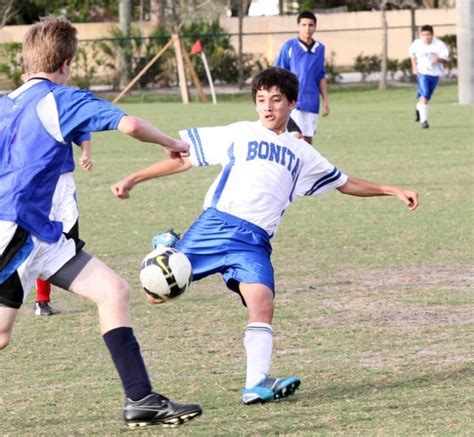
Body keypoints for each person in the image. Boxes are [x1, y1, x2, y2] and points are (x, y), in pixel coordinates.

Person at [111, 67, 419, 406]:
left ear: (292, 104)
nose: (268, 107)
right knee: (157, 296)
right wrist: (133, 178)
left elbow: (345, 183)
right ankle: (166, 249)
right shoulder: (241, 132)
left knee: (263, 303)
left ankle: (255, 384)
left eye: (275, 100)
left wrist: (392, 189)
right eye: (261, 100)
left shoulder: (302, 152)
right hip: (216, 226)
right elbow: (184, 159)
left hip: (254, 242)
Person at [0, 16, 202, 428]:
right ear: (67, 63)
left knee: (114, 291)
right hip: (14, 230)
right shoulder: (63, 98)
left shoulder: (5, 102)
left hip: (47, 236)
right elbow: (129, 124)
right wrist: (173, 143)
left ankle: (141, 399)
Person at [34, 135, 92, 316]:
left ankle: (89, 287)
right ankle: (41, 300)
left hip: (65, 180)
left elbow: (82, 131)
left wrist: (85, 153)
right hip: (38, 179)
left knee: (68, 239)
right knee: (42, 241)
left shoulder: (63, 109)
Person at [275, 11, 329, 144]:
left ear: (315, 27)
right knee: (295, 136)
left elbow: (320, 76)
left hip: (311, 101)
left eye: (311, 25)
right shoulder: (289, 47)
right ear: (298, 26)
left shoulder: (320, 49)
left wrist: (325, 101)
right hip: (293, 101)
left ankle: (305, 165)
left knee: (307, 140)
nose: (307, 28)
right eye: (304, 24)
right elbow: (279, 73)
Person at [409, 25, 449, 129]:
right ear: (420, 35)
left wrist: (438, 59)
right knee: (425, 94)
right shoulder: (416, 44)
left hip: (434, 74)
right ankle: (424, 121)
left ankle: (418, 108)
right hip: (422, 72)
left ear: (432, 34)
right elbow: (412, 55)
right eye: (423, 35)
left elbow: (446, 59)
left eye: (428, 34)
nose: (426, 37)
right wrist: (414, 68)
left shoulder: (439, 44)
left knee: (426, 97)